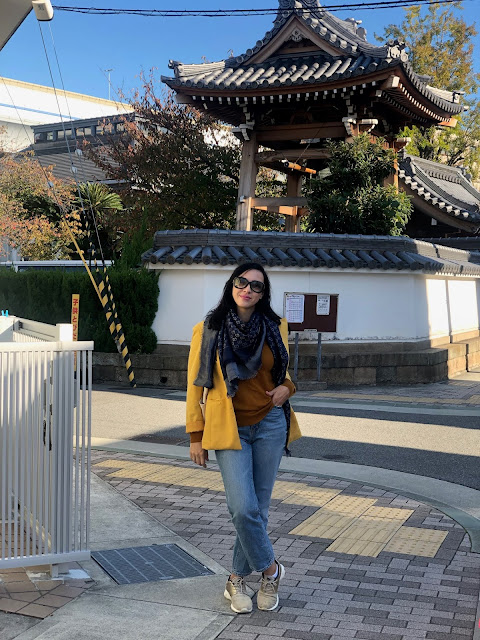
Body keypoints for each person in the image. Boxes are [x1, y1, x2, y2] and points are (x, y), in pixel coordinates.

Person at [186, 262, 301, 614]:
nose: (247, 289)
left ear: (263, 294)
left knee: (258, 510)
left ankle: (236, 579)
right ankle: (271, 571)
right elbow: (193, 386)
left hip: (270, 423)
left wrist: (288, 388)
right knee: (242, 507)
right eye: (242, 282)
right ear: (231, 285)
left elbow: (284, 373)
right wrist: (195, 435)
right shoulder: (208, 329)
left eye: (256, 286)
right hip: (228, 427)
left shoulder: (275, 326)